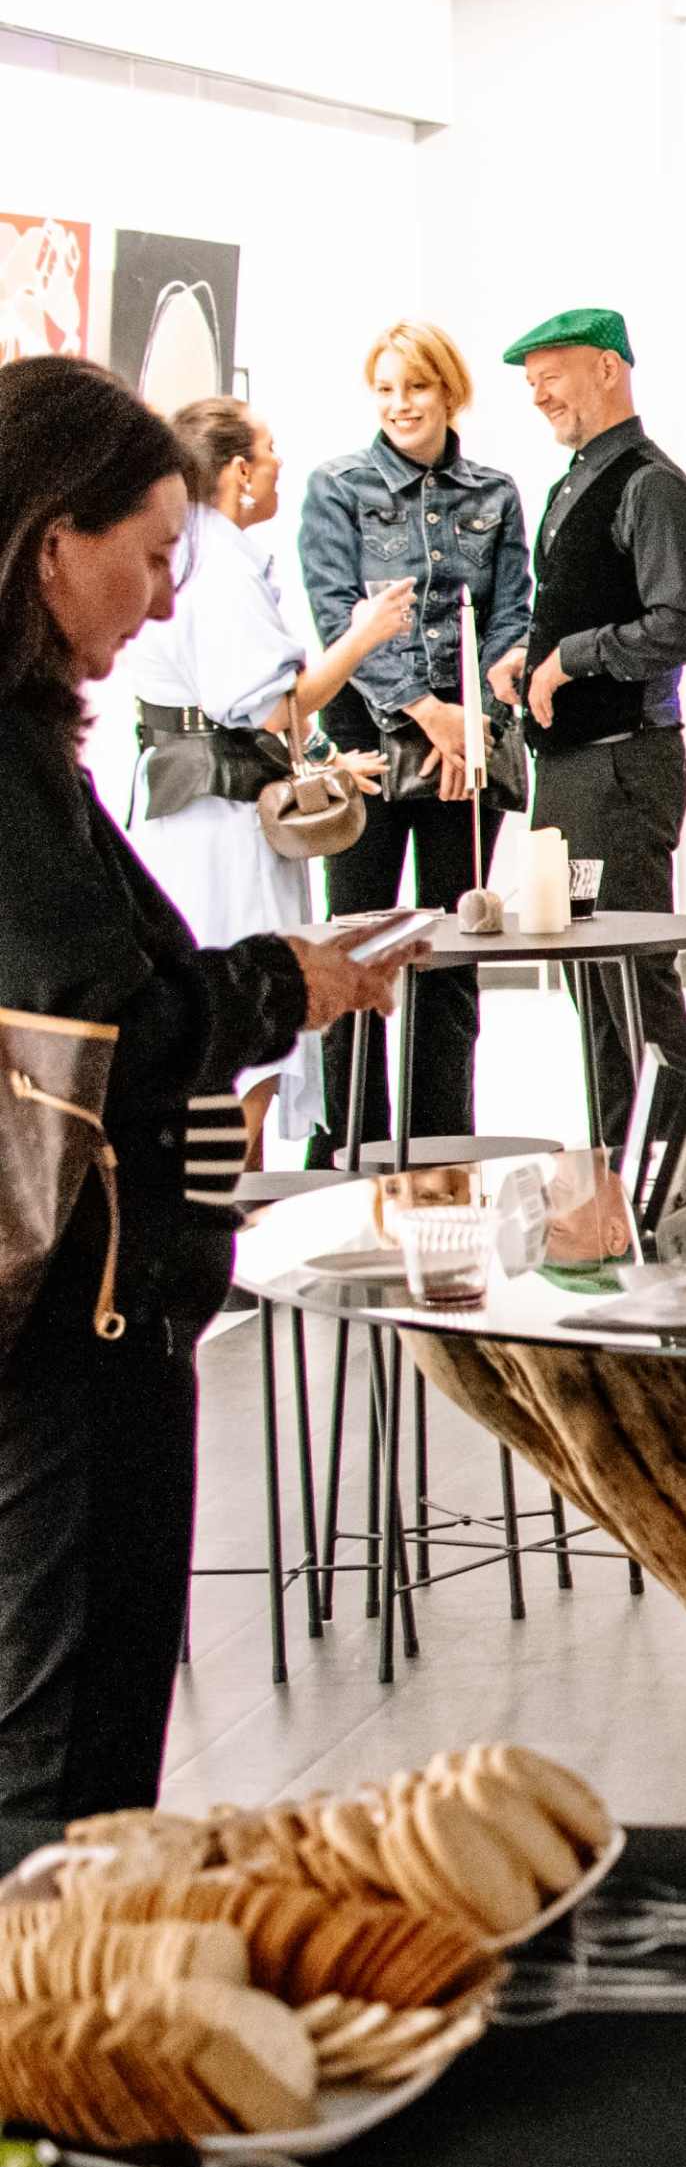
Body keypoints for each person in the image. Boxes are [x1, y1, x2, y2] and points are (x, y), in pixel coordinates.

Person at [0, 355, 415, 1817]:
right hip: (72, 1327)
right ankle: (61, 2035)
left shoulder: (34, 755)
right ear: (54, 541)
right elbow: (89, 1013)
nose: (170, 597)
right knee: (63, 1768)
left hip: (84, 1315)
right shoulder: (9, 768)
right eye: (154, 553)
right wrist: (271, 989)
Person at [122, 398, 407, 1168]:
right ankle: (231, 1243)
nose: (282, 461)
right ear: (240, 472)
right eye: (271, 448)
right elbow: (270, 702)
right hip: (222, 826)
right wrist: (365, 635)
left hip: (190, 810)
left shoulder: (190, 553)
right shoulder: (217, 565)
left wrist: (320, 762)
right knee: (244, 1036)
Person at [299, 320, 536, 1163]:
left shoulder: (496, 493)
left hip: (464, 746)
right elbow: (339, 619)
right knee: (356, 948)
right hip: (367, 741)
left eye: (416, 386)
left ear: (448, 392)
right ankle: (353, 1151)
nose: (400, 404)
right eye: (386, 388)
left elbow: (513, 619)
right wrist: (427, 710)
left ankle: (440, 1152)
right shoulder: (336, 487)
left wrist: (477, 726)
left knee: (451, 955)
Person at [487, 308, 686, 1148]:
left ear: (610, 369)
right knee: (596, 981)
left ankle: (675, 1170)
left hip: (623, 769)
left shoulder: (649, 484)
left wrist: (573, 656)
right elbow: (597, 600)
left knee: (632, 979)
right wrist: (531, 653)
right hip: (579, 770)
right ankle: (616, 1169)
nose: (536, 391)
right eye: (531, 378)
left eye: (552, 372)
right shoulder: (579, 480)